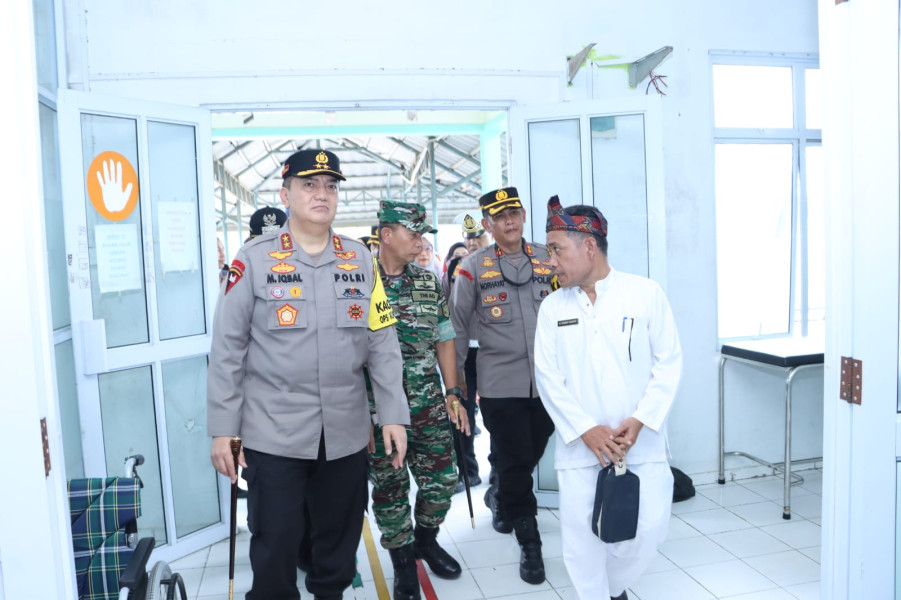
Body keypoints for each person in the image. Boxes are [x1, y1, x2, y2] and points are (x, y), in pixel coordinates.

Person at [207, 149, 410, 600]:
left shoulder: (360, 259)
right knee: (276, 542)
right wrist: (223, 429)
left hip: (344, 431)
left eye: (331, 186)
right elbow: (227, 349)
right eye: (310, 184)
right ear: (286, 195)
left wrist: (392, 415)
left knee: (338, 542)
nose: (323, 194)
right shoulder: (254, 259)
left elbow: (381, 342)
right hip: (274, 432)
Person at [534, 197, 682, 600]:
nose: (551, 262)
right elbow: (548, 377)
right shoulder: (553, 308)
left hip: (641, 442)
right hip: (581, 449)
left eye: (556, 250)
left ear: (588, 246)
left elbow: (669, 362)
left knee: (649, 529)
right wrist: (586, 429)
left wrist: (641, 419)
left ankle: (613, 588)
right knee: (582, 545)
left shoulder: (645, 293)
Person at [449, 187, 556, 584]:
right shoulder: (472, 267)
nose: (509, 221)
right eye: (499, 216)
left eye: (514, 212)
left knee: (530, 452)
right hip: (499, 384)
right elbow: (457, 327)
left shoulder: (548, 258)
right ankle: (530, 543)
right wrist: (456, 385)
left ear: (523, 215)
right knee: (515, 460)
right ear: (488, 224)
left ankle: (499, 491)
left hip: (548, 383)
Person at [368, 199, 471, 600]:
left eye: (423, 236)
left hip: (428, 404)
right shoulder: (358, 283)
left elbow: (444, 338)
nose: (420, 243)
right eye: (413, 234)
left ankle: (425, 541)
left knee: (443, 480)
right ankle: (402, 563)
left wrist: (453, 393)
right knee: (390, 489)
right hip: (378, 411)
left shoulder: (428, 281)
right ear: (386, 235)